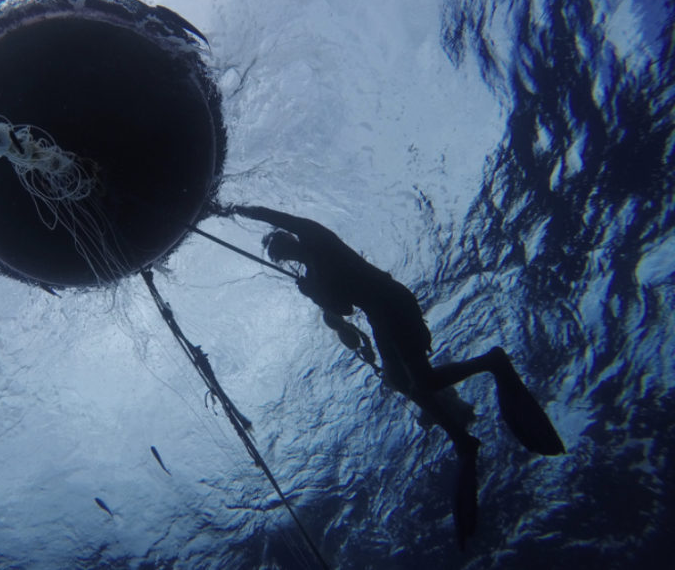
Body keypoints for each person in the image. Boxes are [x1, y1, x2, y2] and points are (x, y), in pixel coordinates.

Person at [227, 204, 565, 547]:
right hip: (379, 317)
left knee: (425, 381)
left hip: (392, 302)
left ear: (289, 239)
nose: (285, 253)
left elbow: (283, 217)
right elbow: (343, 310)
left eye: (282, 247)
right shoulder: (312, 275)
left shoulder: (316, 237)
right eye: (280, 255)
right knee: (402, 383)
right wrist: (313, 293)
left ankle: (493, 363)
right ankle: (462, 440)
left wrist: (239, 210)